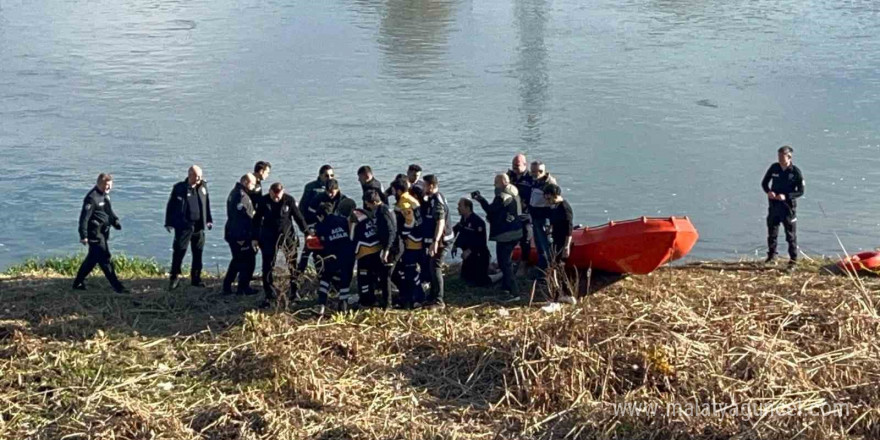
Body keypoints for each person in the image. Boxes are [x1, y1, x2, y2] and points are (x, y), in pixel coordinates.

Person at [253, 182, 307, 306]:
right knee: (268, 265)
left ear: (283, 192)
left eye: (278, 195)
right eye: (274, 195)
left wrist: (307, 232)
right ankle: (269, 293)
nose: (276, 198)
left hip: (287, 236)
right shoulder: (264, 201)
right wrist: (254, 238)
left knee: (292, 265)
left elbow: (299, 218)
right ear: (270, 192)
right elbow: (256, 220)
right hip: (268, 237)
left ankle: (294, 291)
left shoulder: (289, 200)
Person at [72, 173, 127, 293]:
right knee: (105, 258)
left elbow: (108, 212)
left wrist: (115, 221)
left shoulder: (105, 196)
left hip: (103, 233)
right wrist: (83, 235)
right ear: (99, 184)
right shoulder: (92, 198)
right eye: (106, 186)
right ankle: (117, 287)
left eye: (110, 186)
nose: (109, 188)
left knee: (92, 260)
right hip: (95, 234)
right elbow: (84, 218)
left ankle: (77, 283)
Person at [473, 174, 523, 301]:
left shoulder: (502, 196)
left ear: (503, 182)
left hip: (505, 234)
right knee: (507, 261)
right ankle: (506, 287)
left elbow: (491, 210)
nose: (494, 185)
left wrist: (480, 199)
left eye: (496, 183)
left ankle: (514, 292)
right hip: (516, 231)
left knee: (504, 263)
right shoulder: (514, 192)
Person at [164, 165, 213, 291]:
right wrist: (168, 222)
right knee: (179, 251)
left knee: (198, 253)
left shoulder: (203, 186)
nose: (199, 179)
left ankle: (196, 279)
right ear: (189, 175)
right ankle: (174, 277)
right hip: (184, 226)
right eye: (196, 177)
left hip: (199, 227)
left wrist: (208, 219)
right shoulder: (179, 188)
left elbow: (206, 203)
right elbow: (171, 206)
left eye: (200, 177)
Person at [761, 145, 805, 271]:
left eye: (782, 156)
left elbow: (801, 191)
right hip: (774, 206)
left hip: (787, 208)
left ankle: (793, 261)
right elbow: (764, 183)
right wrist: (768, 191)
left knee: (790, 236)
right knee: (772, 232)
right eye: (778, 156)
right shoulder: (774, 167)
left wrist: (786, 196)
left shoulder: (795, 172)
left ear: (789, 157)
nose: (779, 159)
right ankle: (772, 256)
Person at [353, 190, 398, 308]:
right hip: (390, 246)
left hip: (392, 248)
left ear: (373, 202)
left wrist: (386, 250)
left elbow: (391, 232)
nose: (367, 206)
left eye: (367, 204)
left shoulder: (383, 212)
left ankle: (388, 304)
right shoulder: (382, 210)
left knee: (385, 277)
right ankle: (391, 299)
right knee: (385, 275)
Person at [313, 201, 356, 315]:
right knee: (345, 281)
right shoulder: (343, 221)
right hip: (348, 255)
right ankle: (343, 308)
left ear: (321, 215)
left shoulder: (320, 226)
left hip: (332, 256)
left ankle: (321, 304)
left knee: (325, 279)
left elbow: (319, 243)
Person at [390, 177, 425, 308]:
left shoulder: (404, 202)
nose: (392, 193)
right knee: (409, 270)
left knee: (410, 270)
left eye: (394, 190)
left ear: (399, 191)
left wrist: (404, 233)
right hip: (416, 240)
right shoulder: (410, 198)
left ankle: (417, 298)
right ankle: (411, 295)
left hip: (412, 242)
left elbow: (410, 220)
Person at [421, 174, 455, 309]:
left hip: (442, 241)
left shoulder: (437, 201)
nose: (423, 188)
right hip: (438, 240)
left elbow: (440, 222)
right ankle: (433, 296)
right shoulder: (433, 198)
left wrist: (435, 241)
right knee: (431, 266)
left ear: (431, 186)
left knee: (436, 267)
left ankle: (439, 300)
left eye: (424, 185)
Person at [222, 174, 258, 295]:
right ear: (245, 182)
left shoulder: (237, 192)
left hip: (234, 233)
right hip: (239, 235)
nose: (254, 186)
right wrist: (243, 238)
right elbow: (241, 220)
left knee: (237, 260)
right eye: (252, 184)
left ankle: (228, 285)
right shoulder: (241, 197)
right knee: (247, 261)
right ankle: (243, 287)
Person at [543, 183, 576, 305]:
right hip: (555, 239)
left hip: (563, 241)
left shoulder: (564, 208)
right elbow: (553, 221)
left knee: (559, 268)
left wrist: (567, 246)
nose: (547, 201)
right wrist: (549, 228)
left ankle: (565, 294)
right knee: (554, 267)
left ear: (554, 195)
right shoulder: (554, 207)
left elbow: (569, 228)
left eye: (548, 198)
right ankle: (559, 293)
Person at [297, 165, 334, 273]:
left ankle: (321, 273)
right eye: (326, 175)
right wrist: (306, 227)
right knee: (308, 249)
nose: (329, 178)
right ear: (320, 175)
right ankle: (298, 274)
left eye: (332, 175)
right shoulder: (311, 187)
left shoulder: (332, 186)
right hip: (311, 224)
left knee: (322, 250)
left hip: (325, 224)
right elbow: (303, 208)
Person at [451, 198, 496, 287]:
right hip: (469, 255)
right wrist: (455, 245)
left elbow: (481, 242)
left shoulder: (478, 222)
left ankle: (498, 275)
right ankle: (490, 269)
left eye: (460, 206)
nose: (458, 208)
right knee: (465, 278)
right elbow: (462, 233)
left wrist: (469, 251)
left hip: (479, 254)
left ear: (468, 208)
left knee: (481, 282)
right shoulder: (464, 219)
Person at [527, 160, 558, 276]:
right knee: (539, 245)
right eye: (533, 171)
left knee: (546, 245)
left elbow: (554, 203)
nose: (535, 173)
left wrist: (551, 223)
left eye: (539, 171)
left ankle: (549, 271)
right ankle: (541, 269)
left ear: (543, 171)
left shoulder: (549, 184)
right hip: (535, 217)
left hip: (544, 218)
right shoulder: (535, 181)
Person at [507, 154, 534, 271]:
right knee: (508, 239)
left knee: (525, 239)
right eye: (513, 165)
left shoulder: (530, 178)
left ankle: (524, 263)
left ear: (525, 165)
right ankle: (507, 262)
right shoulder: (510, 176)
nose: (514, 168)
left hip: (525, 214)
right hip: (512, 214)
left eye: (517, 165)